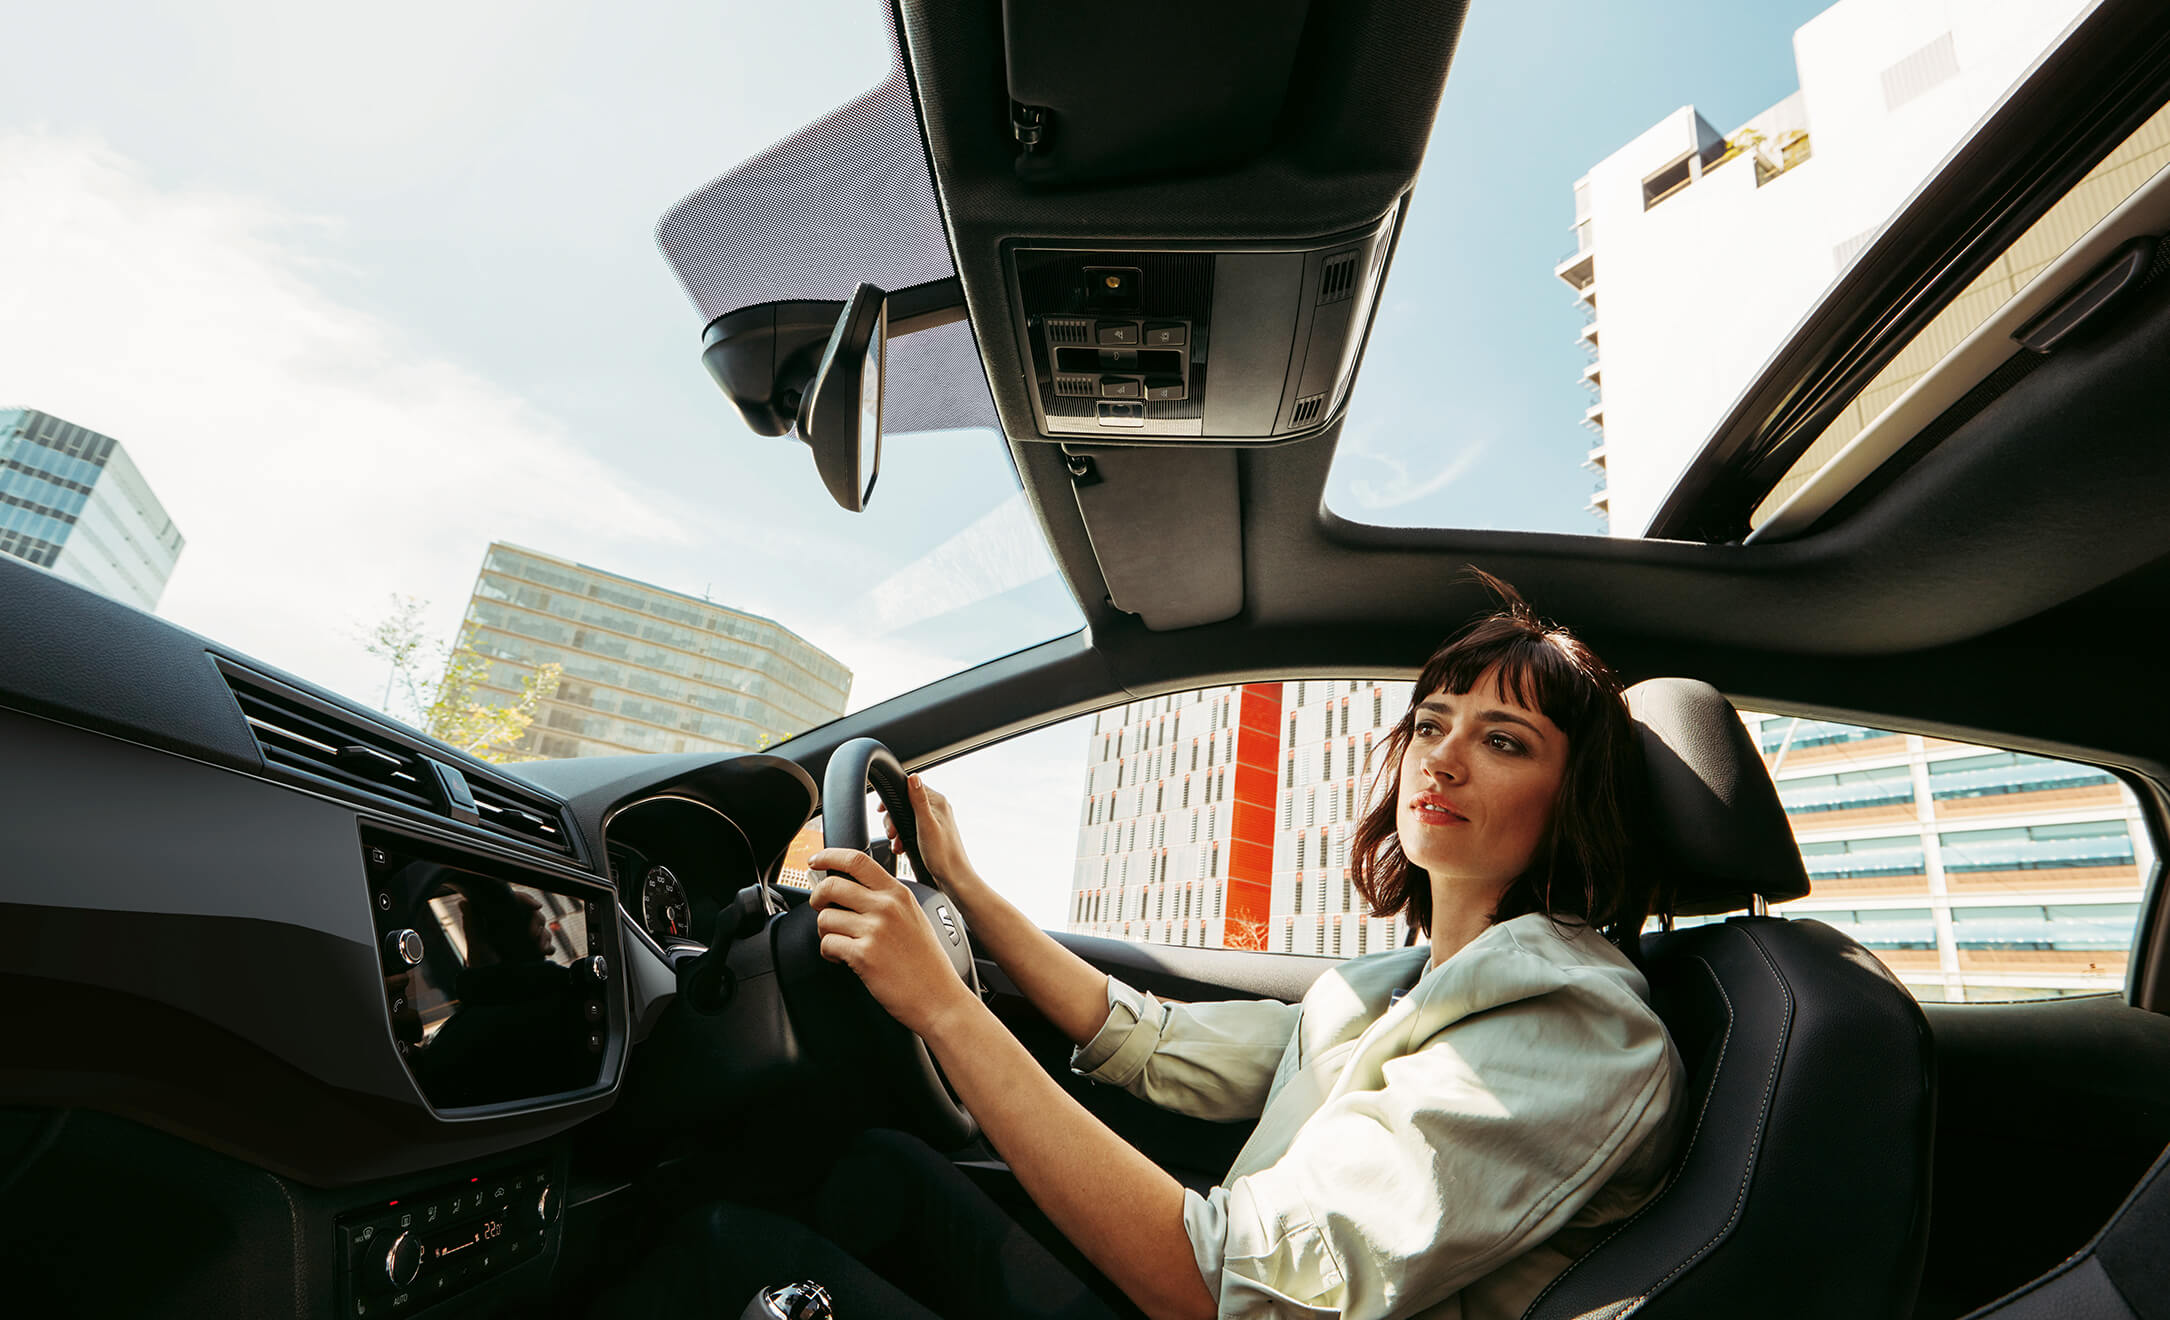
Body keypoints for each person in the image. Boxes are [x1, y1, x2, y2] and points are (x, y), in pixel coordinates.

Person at [598, 570, 1683, 1320]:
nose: (1441, 760)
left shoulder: (1569, 1022)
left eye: (1503, 741)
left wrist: (942, 1005)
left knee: (725, 1258)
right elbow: (1147, 1037)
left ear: (1569, 799)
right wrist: (966, 898)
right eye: (1432, 723)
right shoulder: (1398, 985)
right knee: (872, 1169)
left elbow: (1221, 1290)